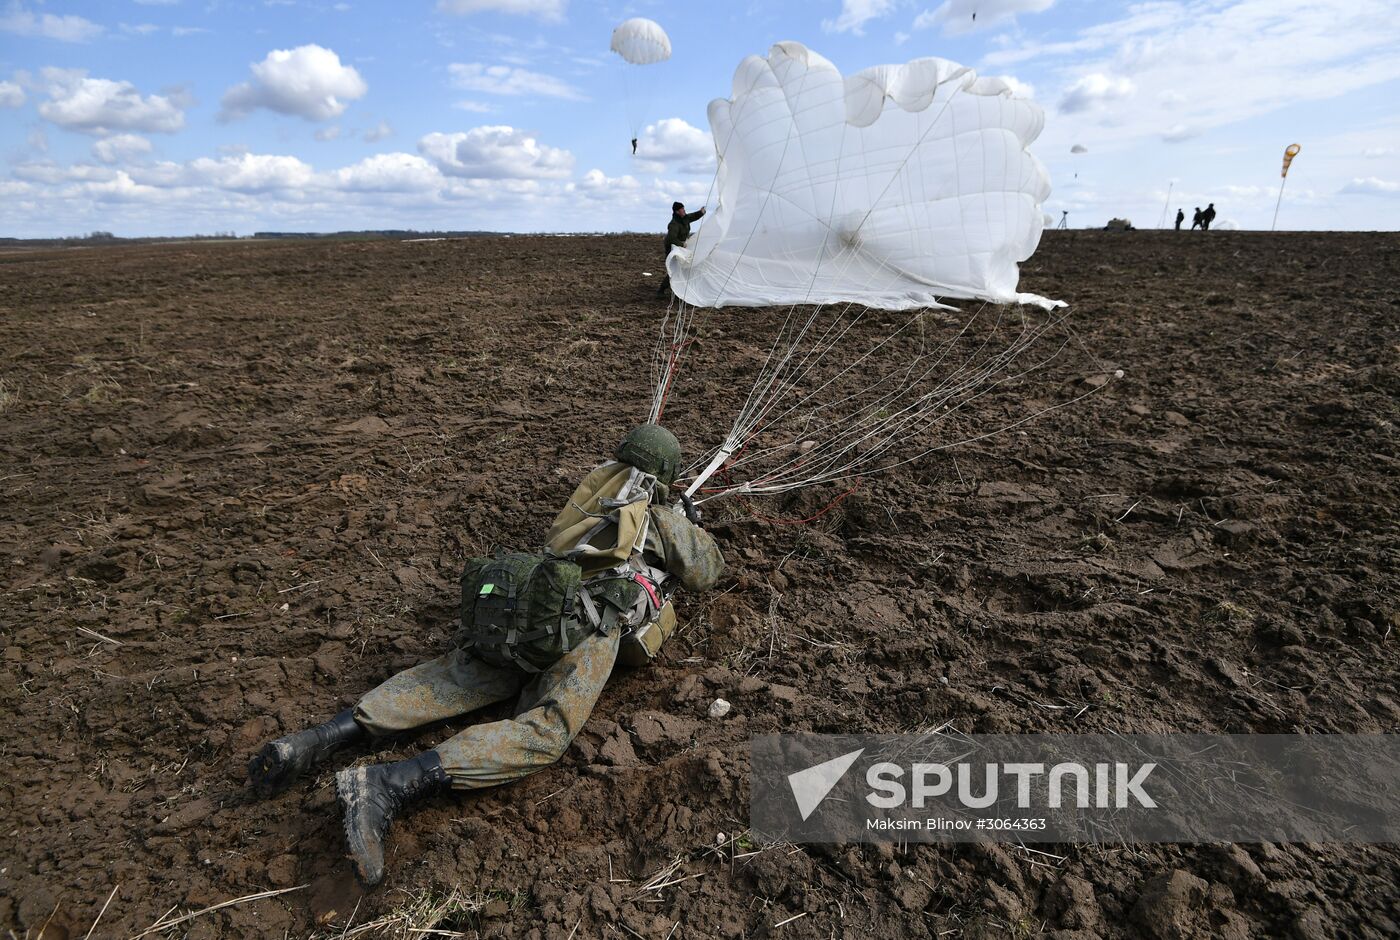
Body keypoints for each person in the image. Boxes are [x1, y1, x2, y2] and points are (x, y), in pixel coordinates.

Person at [247, 425, 724, 887]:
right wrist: (686, 522)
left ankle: (316, 740)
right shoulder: (658, 520)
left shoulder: (590, 491)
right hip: (589, 626)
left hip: (531, 608)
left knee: (456, 677)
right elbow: (708, 569)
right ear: (664, 478)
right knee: (546, 730)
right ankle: (388, 785)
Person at [657, 201, 706, 298]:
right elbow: (671, 238)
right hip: (672, 247)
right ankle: (661, 290)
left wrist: (701, 212)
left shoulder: (685, 218)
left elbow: (693, 216)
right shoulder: (674, 224)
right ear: (677, 212)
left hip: (680, 247)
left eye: (684, 208)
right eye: (681, 209)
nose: (684, 210)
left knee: (684, 266)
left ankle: (679, 287)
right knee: (675, 269)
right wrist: (681, 244)